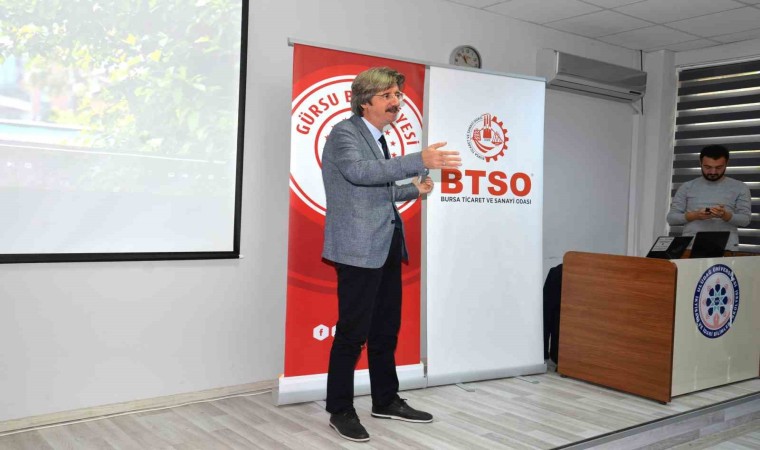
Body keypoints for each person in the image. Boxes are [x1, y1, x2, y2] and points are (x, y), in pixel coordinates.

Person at [321, 66, 461, 442]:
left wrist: (414, 189)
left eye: (398, 95)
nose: (396, 102)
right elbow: (359, 173)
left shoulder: (378, 138)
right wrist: (419, 160)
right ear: (364, 101)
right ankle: (340, 409)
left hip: (385, 245)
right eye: (387, 96)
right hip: (358, 249)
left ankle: (385, 400)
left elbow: (376, 190)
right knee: (352, 334)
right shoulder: (344, 133)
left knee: (385, 330)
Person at [666, 144, 751, 252]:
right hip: (691, 248)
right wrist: (695, 215)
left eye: (718, 167)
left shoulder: (740, 187)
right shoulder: (687, 187)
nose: (713, 172)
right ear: (700, 163)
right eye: (708, 167)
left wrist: (724, 215)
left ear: (726, 164)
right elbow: (671, 218)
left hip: (726, 249)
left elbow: (745, 220)